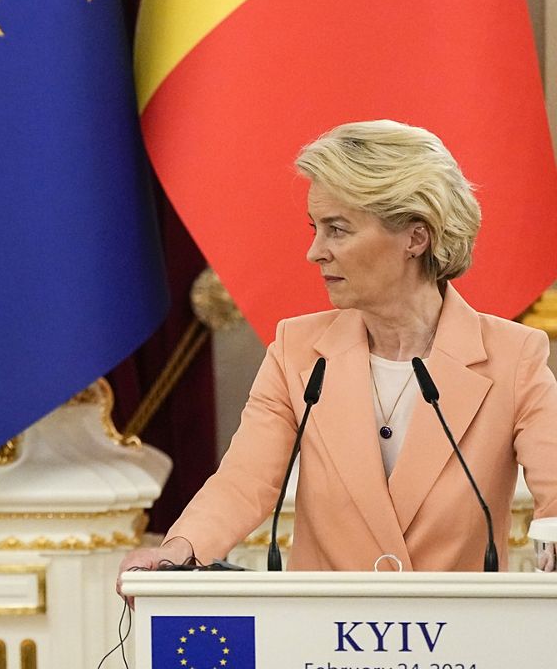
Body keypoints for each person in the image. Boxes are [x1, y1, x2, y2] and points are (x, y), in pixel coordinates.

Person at [118, 119, 557, 586]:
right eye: (316, 228)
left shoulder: (514, 357)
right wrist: (177, 552)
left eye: (338, 230)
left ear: (415, 236)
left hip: (457, 645)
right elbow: (245, 481)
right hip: (325, 642)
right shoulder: (297, 351)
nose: (315, 252)